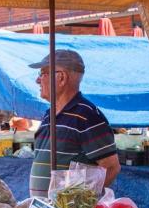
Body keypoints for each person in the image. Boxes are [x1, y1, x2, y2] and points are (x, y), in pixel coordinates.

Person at [28, 49, 120, 197]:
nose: (38, 80)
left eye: (43, 74)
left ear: (62, 78)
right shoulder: (48, 115)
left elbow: (111, 167)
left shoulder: (87, 116)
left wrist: (78, 203)